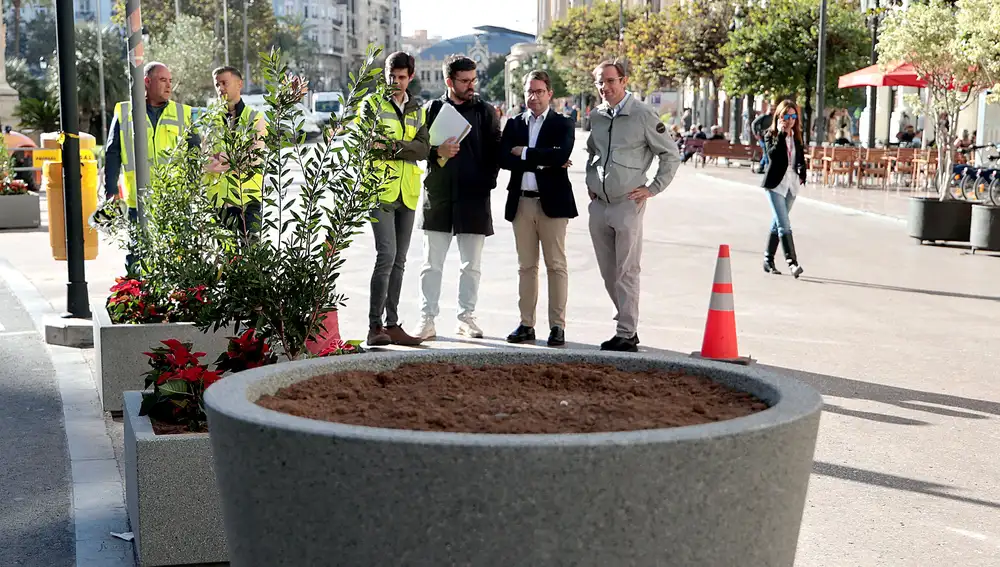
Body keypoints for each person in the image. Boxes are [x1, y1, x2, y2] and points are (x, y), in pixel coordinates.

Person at [585, 60, 680, 352]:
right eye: (601, 82)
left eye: (611, 81)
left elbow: (670, 154)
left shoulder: (642, 114)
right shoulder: (597, 116)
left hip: (628, 203)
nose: (605, 87)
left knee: (627, 270)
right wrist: (592, 180)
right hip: (599, 205)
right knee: (608, 272)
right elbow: (593, 150)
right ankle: (626, 320)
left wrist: (652, 188)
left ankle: (626, 331)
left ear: (624, 81)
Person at [416, 55, 501, 340]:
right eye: (464, 81)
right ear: (449, 81)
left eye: (473, 80)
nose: (470, 86)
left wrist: (486, 183)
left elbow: (494, 152)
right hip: (438, 197)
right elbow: (418, 149)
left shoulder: (486, 112)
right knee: (431, 265)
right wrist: (436, 152)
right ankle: (427, 319)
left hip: (474, 198)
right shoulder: (431, 109)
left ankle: (466, 317)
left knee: (471, 266)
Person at [499, 70, 577, 347]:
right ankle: (526, 324)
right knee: (526, 266)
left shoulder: (563, 123)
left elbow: (561, 154)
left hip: (552, 203)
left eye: (539, 91)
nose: (534, 97)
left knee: (556, 265)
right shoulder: (514, 124)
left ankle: (557, 326)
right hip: (521, 202)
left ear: (550, 94)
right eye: (530, 91)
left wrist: (526, 153)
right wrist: (546, 160)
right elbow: (504, 159)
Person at [361, 51, 429, 347]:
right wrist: (406, 147)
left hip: (408, 191)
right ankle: (375, 326)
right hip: (380, 190)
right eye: (391, 76)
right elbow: (370, 144)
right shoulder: (371, 105)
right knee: (386, 256)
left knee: (400, 260)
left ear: (410, 77)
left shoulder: (418, 109)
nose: (395, 82)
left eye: (401, 77)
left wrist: (392, 147)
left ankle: (392, 324)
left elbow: (425, 149)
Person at [104, 62, 198, 270]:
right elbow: (112, 154)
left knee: (179, 255)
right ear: (146, 82)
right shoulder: (125, 111)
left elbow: (195, 156)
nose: (168, 86)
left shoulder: (183, 113)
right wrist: (110, 191)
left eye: (170, 81)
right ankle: (137, 298)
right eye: (163, 80)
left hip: (174, 201)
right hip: (138, 200)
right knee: (137, 253)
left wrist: (191, 191)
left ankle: (179, 299)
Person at [207, 66, 268, 234]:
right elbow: (204, 159)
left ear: (239, 84)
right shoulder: (210, 120)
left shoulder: (255, 118)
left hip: (248, 201)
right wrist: (237, 158)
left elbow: (253, 159)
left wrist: (221, 158)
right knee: (224, 258)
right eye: (217, 84)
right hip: (219, 203)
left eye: (224, 83)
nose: (220, 88)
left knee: (251, 257)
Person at [760, 99, 806, 278]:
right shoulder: (770, 135)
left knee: (777, 223)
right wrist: (780, 134)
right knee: (784, 224)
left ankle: (767, 259)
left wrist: (803, 172)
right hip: (775, 185)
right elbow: (772, 155)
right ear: (779, 117)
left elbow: (799, 158)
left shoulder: (797, 137)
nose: (790, 120)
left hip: (791, 185)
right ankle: (792, 262)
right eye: (786, 115)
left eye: (793, 116)